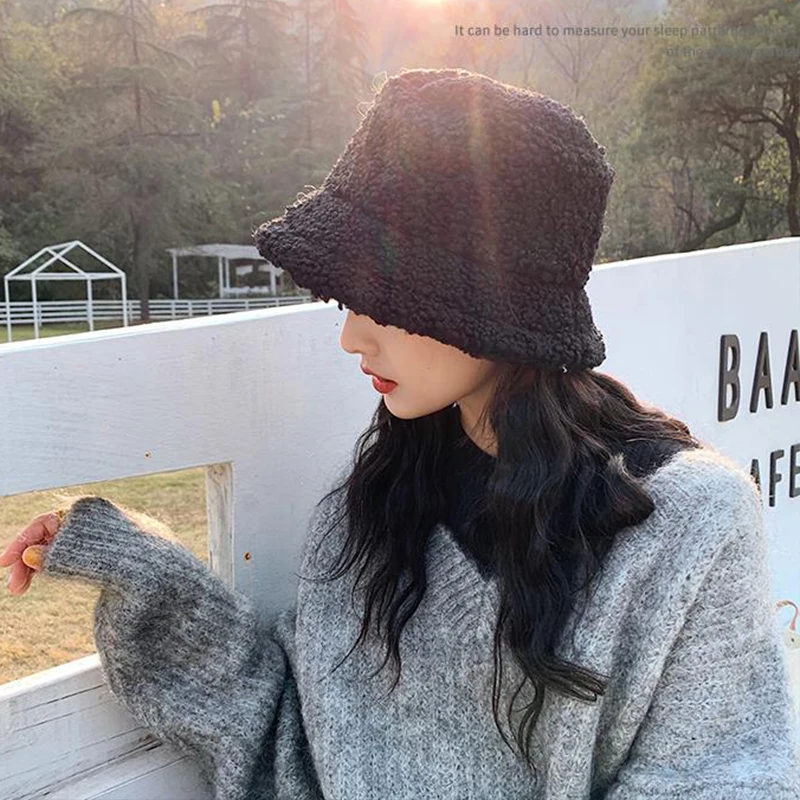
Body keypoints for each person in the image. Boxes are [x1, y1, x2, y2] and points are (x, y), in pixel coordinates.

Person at [2, 67, 798, 800]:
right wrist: (146, 573)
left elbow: (721, 779)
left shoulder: (687, 524)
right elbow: (298, 738)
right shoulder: (372, 505)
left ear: (487, 302)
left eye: (381, 299)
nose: (352, 336)